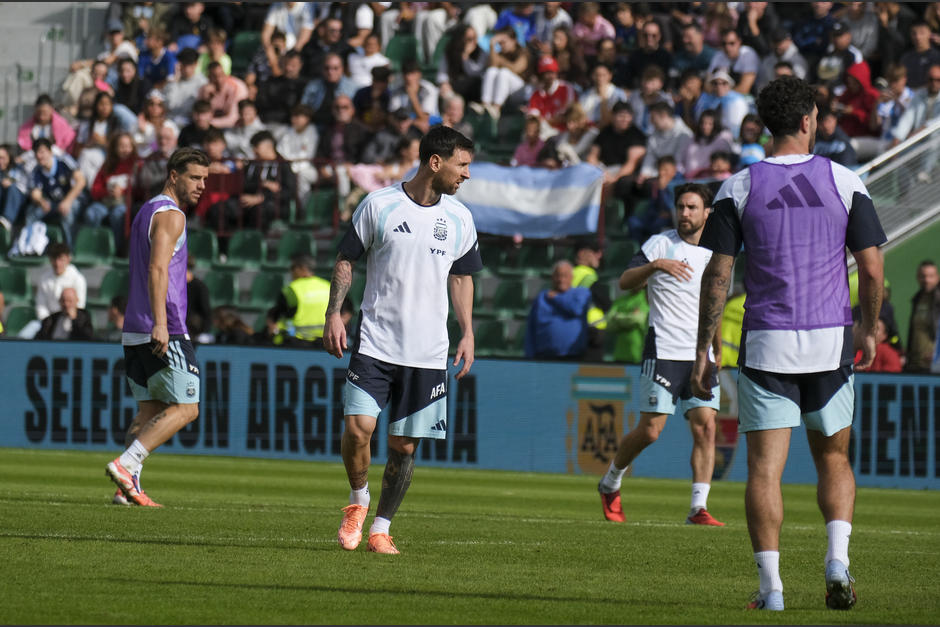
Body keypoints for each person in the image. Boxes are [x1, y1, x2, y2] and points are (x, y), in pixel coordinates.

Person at [691, 76, 887, 611]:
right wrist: (868, 327)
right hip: (830, 342)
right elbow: (871, 270)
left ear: (765, 125)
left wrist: (705, 348)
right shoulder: (845, 180)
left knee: (764, 470)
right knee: (834, 459)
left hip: (768, 343)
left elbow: (719, 277)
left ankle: (771, 590)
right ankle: (837, 562)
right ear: (808, 121)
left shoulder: (738, 186)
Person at [323, 125, 481, 555]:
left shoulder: (460, 219)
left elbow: (463, 277)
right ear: (435, 162)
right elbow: (346, 260)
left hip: (428, 353)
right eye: (462, 165)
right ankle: (357, 503)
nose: (466, 175)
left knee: (403, 446)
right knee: (359, 431)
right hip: (375, 344)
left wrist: (467, 332)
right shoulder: (379, 205)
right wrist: (334, 312)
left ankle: (381, 528)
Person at [597, 182, 724, 526]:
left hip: (700, 355)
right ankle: (610, 482)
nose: (684, 213)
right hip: (665, 349)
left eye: (692, 207)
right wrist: (655, 266)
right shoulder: (660, 244)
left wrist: (717, 346)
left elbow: (715, 301)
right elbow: (624, 281)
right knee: (651, 431)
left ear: (706, 213)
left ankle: (698, 508)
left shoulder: (716, 251)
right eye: (681, 207)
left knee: (706, 427)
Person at [104, 147, 210, 507]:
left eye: (205, 180)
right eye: (195, 178)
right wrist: (162, 324)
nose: (201, 186)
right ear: (174, 175)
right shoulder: (171, 215)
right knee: (187, 407)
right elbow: (158, 269)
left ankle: (126, 488)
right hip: (163, 327)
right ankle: (126, 463)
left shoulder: (145, 211)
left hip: (134, 326)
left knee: (149, 410)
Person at [24, 138, 86, 246]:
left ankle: (69, 250)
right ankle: (29, 246)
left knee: (68, 212)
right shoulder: (36, 170)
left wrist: (67, 201)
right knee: (32, 212)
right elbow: (35, 193)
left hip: (72, 200)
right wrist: (42, 202)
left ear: (50, 151)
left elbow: (81, 181)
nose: (39, 156)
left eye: (42, 152)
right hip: (52, 204)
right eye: (36, 153)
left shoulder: (64, 161)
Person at [524, 260, 592, 360]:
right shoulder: (542, 297)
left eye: (565, 275)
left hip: (573, 356)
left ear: (572, 277)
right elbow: (531, 327)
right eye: (558, 276)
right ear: (552, 278)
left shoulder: (581, 292)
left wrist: (556, 298)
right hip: (544, 357)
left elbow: (577, 309)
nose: (561, 280)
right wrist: (529, 356)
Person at [268, 253, 331, 347]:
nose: (290, 271)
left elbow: (277, 314)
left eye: (293, 267)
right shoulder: (328, 286)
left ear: (302, 268)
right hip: (325, 342)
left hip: (295, 342)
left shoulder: (291, 289)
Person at [906, 260, 940, 372]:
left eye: (931, 276)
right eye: (923, 276)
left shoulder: (937, 300)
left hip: (935, 365)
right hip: (915, 364)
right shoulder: (917, 299)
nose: (926, 280)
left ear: (937, 277)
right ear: (917, 277)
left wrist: (936, 355)